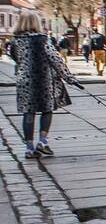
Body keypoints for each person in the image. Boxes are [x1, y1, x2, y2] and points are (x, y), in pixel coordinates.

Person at [9, 12, 83, 159]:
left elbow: (16, 58)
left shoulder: (14, 41)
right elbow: (55, 59)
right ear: (36, 23)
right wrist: (70, 78)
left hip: (25, 81)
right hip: (44, 79)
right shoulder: (43, 40)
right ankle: (42, 142)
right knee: (47, 110)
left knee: (28, 113)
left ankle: (29, 148)